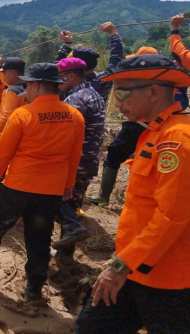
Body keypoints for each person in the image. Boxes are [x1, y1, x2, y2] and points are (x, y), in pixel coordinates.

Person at [75, 54, 190, 334]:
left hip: (167, 280)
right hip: (134, 267)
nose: (117, 103)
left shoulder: (177, 139)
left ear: (153, 91)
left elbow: (171, 215)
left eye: (123, 93)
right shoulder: (154, 132)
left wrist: (120, 266)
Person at [0, 63, 85, 303]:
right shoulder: (75, 116)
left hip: (18, 187)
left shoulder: (23, 114)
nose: (25, 90)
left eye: (27, 85)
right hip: (51, 191)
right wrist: (68, 185)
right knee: (39, 239)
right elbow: (74, 155)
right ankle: (34, 291)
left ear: (37, 85)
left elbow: (2, 154)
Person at [88, 47, 158, 204]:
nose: (118, 104)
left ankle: (103, 196)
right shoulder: (163, 80)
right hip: (150, 125)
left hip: (137, 125)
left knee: (114, 155)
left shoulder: (142, 81)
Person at [52, 58, 105, 263]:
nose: (57, 82)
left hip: (75, 162)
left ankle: (66, 250)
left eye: (60, 78)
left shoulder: (75, 100)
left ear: (71, 76)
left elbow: (65, 136)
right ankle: (65, 254)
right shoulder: (93, 94)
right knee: (73, 204)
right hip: (88, 161)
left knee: (58, 202)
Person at [56, 22, 124, 104]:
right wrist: (113, 33)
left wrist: (67, 44)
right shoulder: (104, 80)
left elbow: (57, 68)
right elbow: (116, 57)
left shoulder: (68, 82)